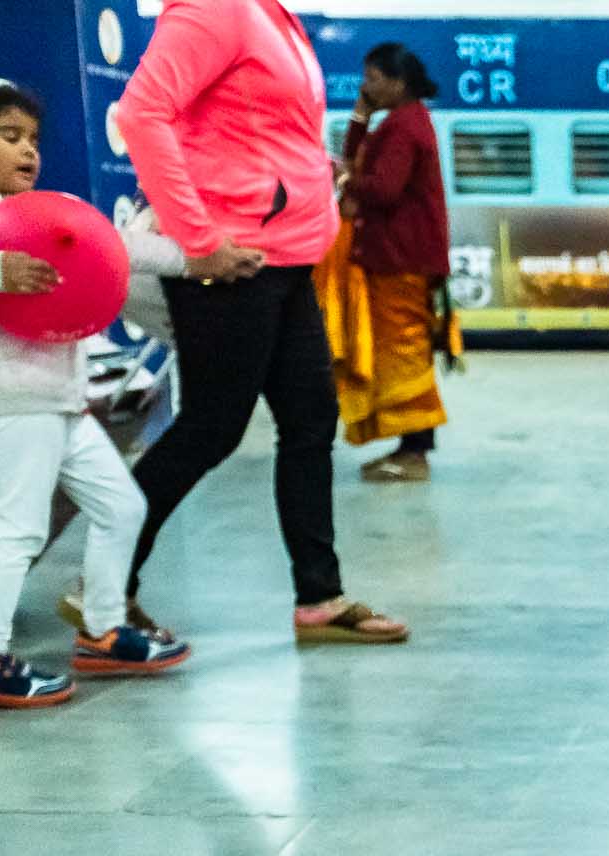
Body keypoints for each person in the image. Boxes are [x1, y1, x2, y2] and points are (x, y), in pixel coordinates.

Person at [117, 0, 408, 645]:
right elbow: (142, 113)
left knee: (310, 420)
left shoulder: (270, 14)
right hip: (233, 260)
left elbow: (260, 131)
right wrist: (198, 240)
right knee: (211, 429)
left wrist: (309, 173)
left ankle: (319, 597)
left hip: (285, 257)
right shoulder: (214, 9)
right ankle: (105, 589)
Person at [0, 82, 199, 708]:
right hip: (14, 402)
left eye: (32, 139)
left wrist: (208, 257)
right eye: (9, 137)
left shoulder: (47, 214)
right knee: (17, 533)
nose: (28, 151)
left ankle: (103, 630)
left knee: (122, 508)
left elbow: (120, 249)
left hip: (61, 400)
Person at [321, 42, 455, 485]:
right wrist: (360, 115)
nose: (365, 84)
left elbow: (382, 190)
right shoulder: (402, 121)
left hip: (402, 258)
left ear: (398, 82)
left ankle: (415, 452)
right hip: (396, 256)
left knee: (404, 352)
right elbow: (359, 160)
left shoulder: (404, 127)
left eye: (373, 78)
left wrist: (342, 177)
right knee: (400, 350)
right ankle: (409, 446)